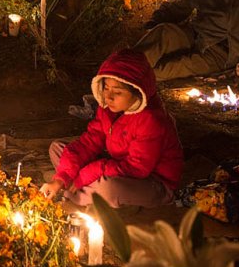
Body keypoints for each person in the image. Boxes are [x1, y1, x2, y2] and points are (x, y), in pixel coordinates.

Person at [41, 49, 183, 208]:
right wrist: (60, 178)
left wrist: (92, 171)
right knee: (58, 148)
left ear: (138, 93)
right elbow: (89, 142)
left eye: (118, 92)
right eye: (106, 87)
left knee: (109, 189)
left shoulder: (150, 120)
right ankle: (74, 188)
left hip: (151, 182)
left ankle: (72, 192)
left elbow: (137, 168)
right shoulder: (108, 109)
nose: (108, 96)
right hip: (117, 165)